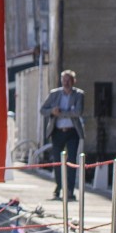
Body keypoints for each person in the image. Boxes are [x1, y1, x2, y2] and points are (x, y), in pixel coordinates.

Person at [42, 70, 86, 200]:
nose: (66, 83)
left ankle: (70, 190)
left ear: (73, 81)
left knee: (72, 161)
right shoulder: (54, 94)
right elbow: (43, 110)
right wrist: (52, 111)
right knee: (57, 161)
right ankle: (59, 186)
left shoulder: (79, 95)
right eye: (64, 80)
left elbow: (77, 112)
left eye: (69, 80)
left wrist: (60, 113)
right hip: (57, 131)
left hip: (72, 131)